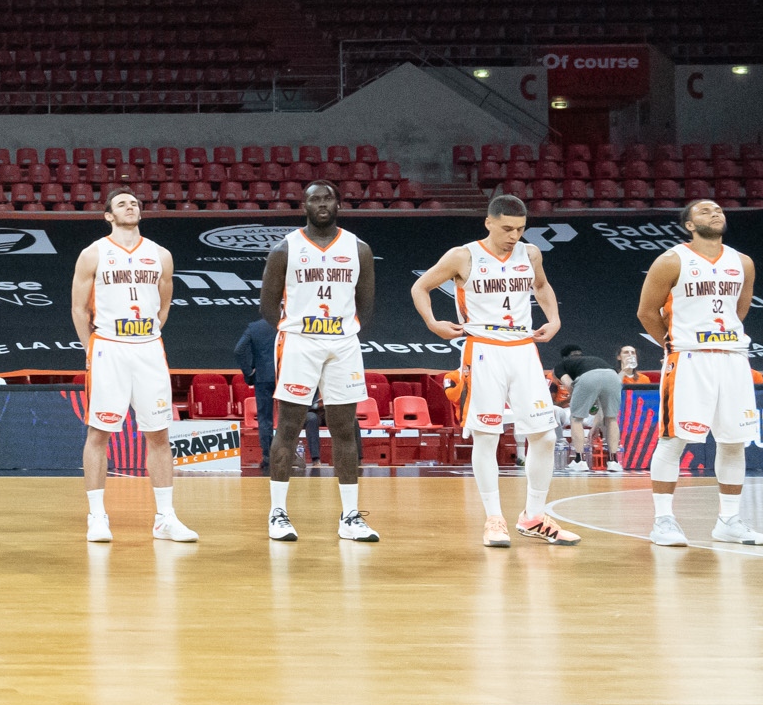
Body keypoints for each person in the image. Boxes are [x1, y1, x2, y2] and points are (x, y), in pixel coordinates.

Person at [410, 194, 577, 548]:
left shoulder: (530, 254)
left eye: (520, 229)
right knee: (487, 436)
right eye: (506, 228)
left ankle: (533, 516)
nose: (514, 235)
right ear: (488, 222)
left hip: (523, 349)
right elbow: (420, 286)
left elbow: (542, 286)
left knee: (545, 436)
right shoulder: (463, 255)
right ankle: (494, 519)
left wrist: (555, 319)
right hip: (483, 349)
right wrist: (433, 322)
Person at [636, 198, 763, 546]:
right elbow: (647, 312)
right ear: (689, 225)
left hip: (732, 358)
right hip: (688, 359)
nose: (715, 213)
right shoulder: (671, 261)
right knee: (674, 439)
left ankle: (729, 520)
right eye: (704, 211)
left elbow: (739, 310)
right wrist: (672, 342)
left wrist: (721, 337)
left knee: (733, 441)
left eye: (718, 209)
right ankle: (663, 521)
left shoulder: (743, 262)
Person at [72, 186, 197, 543]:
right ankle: (97, 516)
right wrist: (90, 348)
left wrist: (147, 333)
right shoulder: (93, 253)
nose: (131, 206)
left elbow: (164, 304)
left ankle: (165, 518)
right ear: (108, 215)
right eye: (121, 204)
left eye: (135, 202)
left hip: (148, 347)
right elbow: (79, 309)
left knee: (158, 433)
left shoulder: (160, 254)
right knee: (100, 432)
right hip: (108, 347)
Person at [258, 182, 379, 542]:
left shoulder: (359, 249)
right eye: (315, 199)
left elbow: (366, 305)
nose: (322, 204)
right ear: (304, 205)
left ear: (338, 203)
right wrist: (298, 329)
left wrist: (338, 329)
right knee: (289, 426)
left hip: (342, 345)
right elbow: (267, 306)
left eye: (328, 198)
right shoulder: (286, 249)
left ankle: (350, 516)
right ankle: (278, 513)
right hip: (300, 343)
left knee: (344, 428)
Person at [554, 345, 627, 473]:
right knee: (611, 419)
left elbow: (570, 385)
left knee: (576, 418)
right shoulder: (592, 359)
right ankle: (614, 461)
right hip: (612, 376)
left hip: (588, 377)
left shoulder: (560, 367)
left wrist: (585, 404)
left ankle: (580, 460)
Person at [233, 314, 278, 459]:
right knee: (287, 417)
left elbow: (239, 350)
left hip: (263, 376)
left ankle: (267, 455)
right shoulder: (287, 325)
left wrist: (249, 372)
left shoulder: (255, 327)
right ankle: (286, 453)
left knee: (265, 418)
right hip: (285, 376)